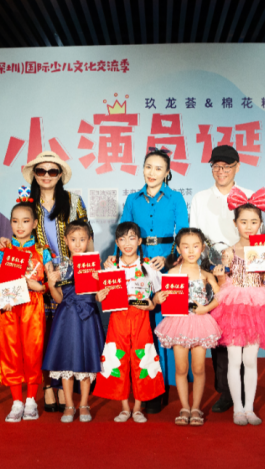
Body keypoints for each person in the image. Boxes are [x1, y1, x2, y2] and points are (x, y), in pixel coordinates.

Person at [0, 150, 90, 411]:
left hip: (67, 275)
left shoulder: (73, 201)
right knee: (41, 334)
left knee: (64, 330)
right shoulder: (26, 201)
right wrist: (4, 244)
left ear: (60, 175)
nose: (46, 175)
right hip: (34, 275)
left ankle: (61, 385)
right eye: (41, 170)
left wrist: (88, 269)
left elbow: (87, 236)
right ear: (34, 175)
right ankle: (47, 385)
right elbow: (18, 235)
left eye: (52, 171)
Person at [105, 147, 188, 413]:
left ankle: (159, 388)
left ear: (167, 172)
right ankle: (140, 386)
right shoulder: (132, 199)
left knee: (163, 327)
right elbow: (123, 233)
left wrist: (170, 258)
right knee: (139, 327)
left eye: (158, 168)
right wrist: (116, 261)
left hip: (165, 266)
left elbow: (183, 234)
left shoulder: (176, 198)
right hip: (136, 268)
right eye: (148, 167)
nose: (152, 173)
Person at [189, 144, 265, 413]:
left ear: (237, 167)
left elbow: (259, 233)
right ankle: (226, 391)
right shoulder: (200, 198)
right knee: (220, 332)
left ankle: (246, 391)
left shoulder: (249, 195)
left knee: (246, 332)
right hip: (213, 270)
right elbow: (193, 234)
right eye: (216, 166)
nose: (221, 171)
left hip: (245, 269)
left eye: (227, 166)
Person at [211, 187, 265, 426]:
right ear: (235, 223)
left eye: (254, 222)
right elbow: (223, 285)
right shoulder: (228, 252)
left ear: (260, 223)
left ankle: (250, 408)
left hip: (256, 310)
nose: (249, 227)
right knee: (234, 360)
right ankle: (237, 409)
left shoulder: (264, 251)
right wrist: (221, 275)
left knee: (251, 360)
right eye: (243, 222)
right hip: (233, 310)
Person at [94, 222, 165, 423]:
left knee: (143, 358)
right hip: (118, 318)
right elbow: (99, 296)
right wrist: (99, 296)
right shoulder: (111, 266)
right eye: (122, 239)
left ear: (139, 241)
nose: (127, 243)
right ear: (116, 242)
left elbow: (159, 295)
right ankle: (125, 407)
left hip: (141, 317)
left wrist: (152, 304)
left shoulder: (148, 266)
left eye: (132, 238)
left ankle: (138, 408)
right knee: (118, 359)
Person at [154, 228, 222, 426]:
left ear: (202, 248)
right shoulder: (172, 273)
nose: (191, 251)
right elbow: (159, 296)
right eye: (186, 246)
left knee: (199, 368)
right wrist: (158, 298)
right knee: (181, 367)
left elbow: (220, 296)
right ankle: (184, 407)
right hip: (178, 323)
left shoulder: (206, 274)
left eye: (195, 246)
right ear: (178, 249)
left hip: (200, 323)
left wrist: (206, 308)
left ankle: (196, 408)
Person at [0, 197, 54, 422]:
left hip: (33, 305)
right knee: (11, 352)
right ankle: (16, 402)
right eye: (15, 221)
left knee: (32, 351)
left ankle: (31, 400)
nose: (20, 226)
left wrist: (38, 286)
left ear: (35, 223)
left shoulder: (43, 251)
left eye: (25, 221)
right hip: (10, 306)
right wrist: (3, 298)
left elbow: (49, 284)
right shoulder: (4, 250)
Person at [42, 220, 106, 423]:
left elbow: (99, 296)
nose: (78, 244)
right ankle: (69, 405)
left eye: (82, 239)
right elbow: (58, 299)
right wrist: (51, 284)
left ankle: (84, 404)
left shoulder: (95, 265)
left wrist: (101, 291)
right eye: (73, 240)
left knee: (86, 362)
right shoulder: (61, 266)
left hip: (88, 317)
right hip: (66, 318)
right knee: (66, 361)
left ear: (89, 240)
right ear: (66, 240)